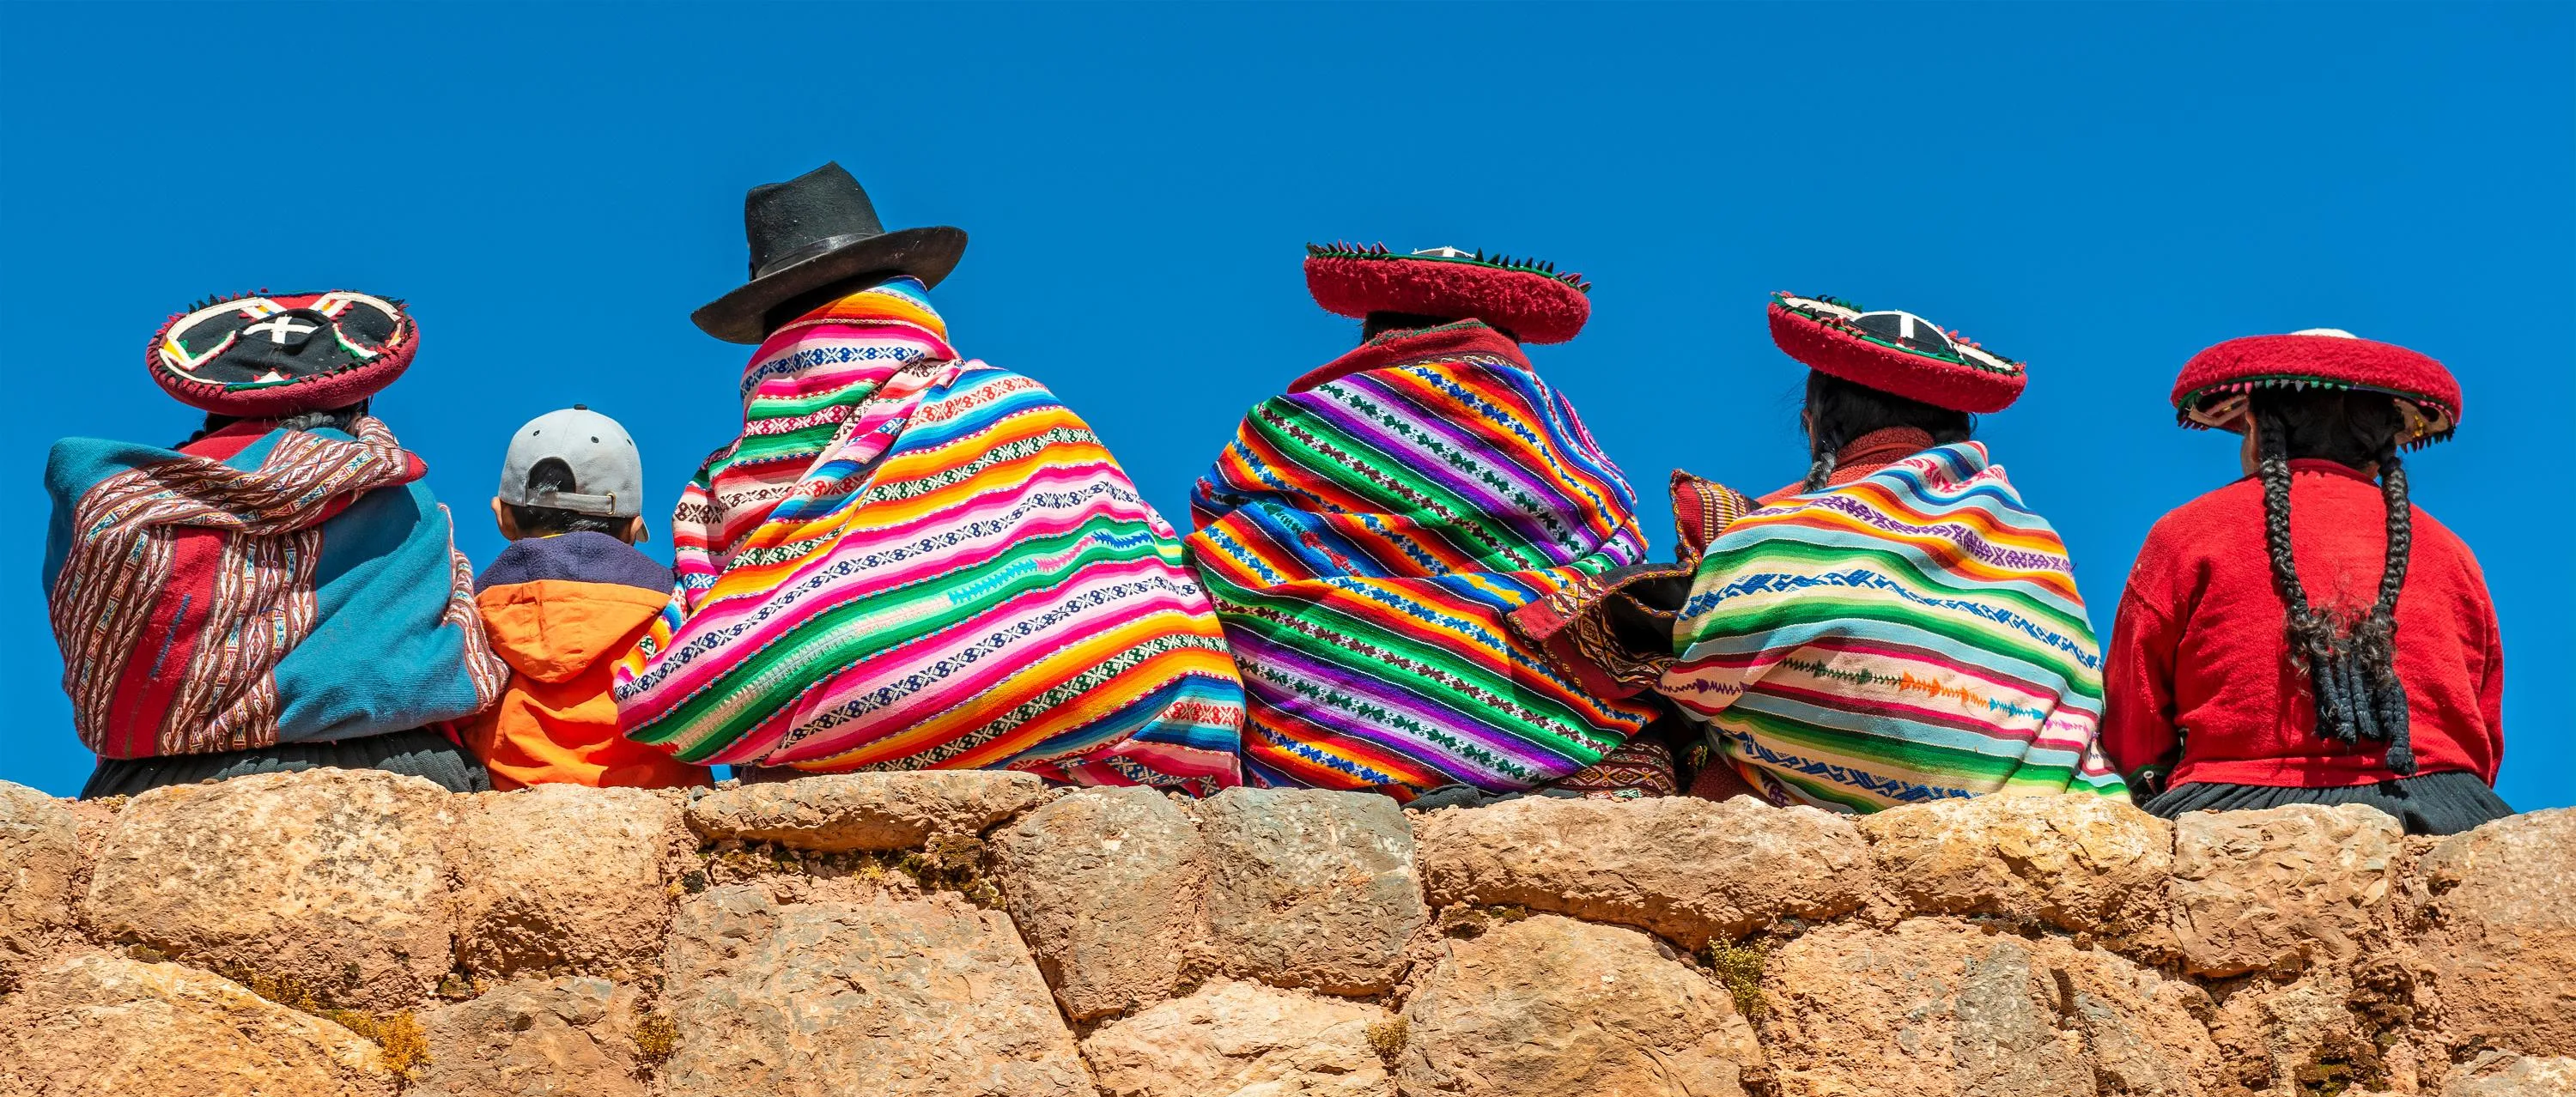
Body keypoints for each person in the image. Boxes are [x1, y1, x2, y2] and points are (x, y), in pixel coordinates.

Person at [613, 164, 1243, 789]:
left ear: (774, 337)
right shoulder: (1012, 404)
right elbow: (1143, 570)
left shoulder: (724, 482)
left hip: (842, 749)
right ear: (903, 297)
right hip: (1116, 709)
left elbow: (689, 674)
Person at [1184, 243, 1676, 802]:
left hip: (1320, 751)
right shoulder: (1551, 436)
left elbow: (1217, 518)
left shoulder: (1301, 428)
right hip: (1547, 739)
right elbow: (1619, 548)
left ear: (1374, 336)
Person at [1660, 293, 2128, 810]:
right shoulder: (2036, 543)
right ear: (1957, 432)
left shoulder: (1775, 537)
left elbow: (1698, 679)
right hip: (2041, 813)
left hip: (1818, 829)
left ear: (1815, 426)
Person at [43, 292, 503, 797]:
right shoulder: (398, 495)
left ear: (215, 401)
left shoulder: (116, 503)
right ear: (360, 401)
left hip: (159, 782)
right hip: (394, 772)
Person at [2102, 330, 2508, 833]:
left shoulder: (2186, 533)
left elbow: (2134, 723)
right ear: (2385, 442)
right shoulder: (2453, 553)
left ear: (2254, 424)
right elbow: (2482, 730)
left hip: (2232, 812)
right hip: (2442, 810)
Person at [462, 408, 711, 791]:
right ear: (633, 528)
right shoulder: (682, 609)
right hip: (662, 801)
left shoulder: (468, 614)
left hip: (507, 798)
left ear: (503, 518)